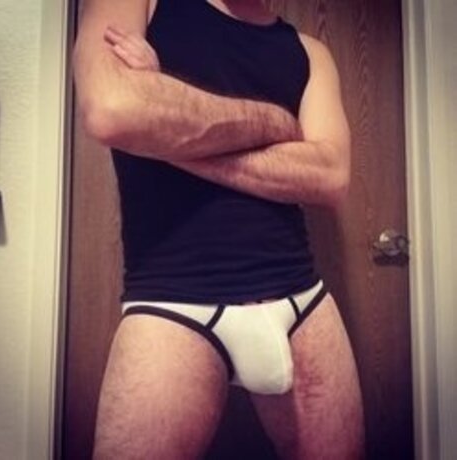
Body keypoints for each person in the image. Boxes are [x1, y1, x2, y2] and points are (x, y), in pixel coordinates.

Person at [74, 0, 365, 458]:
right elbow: (113, 110)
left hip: (300, 299)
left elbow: (330, 178)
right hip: (173, 305)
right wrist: (276, 123)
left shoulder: (312, 54)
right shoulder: (141, 6)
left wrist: (164, 119)